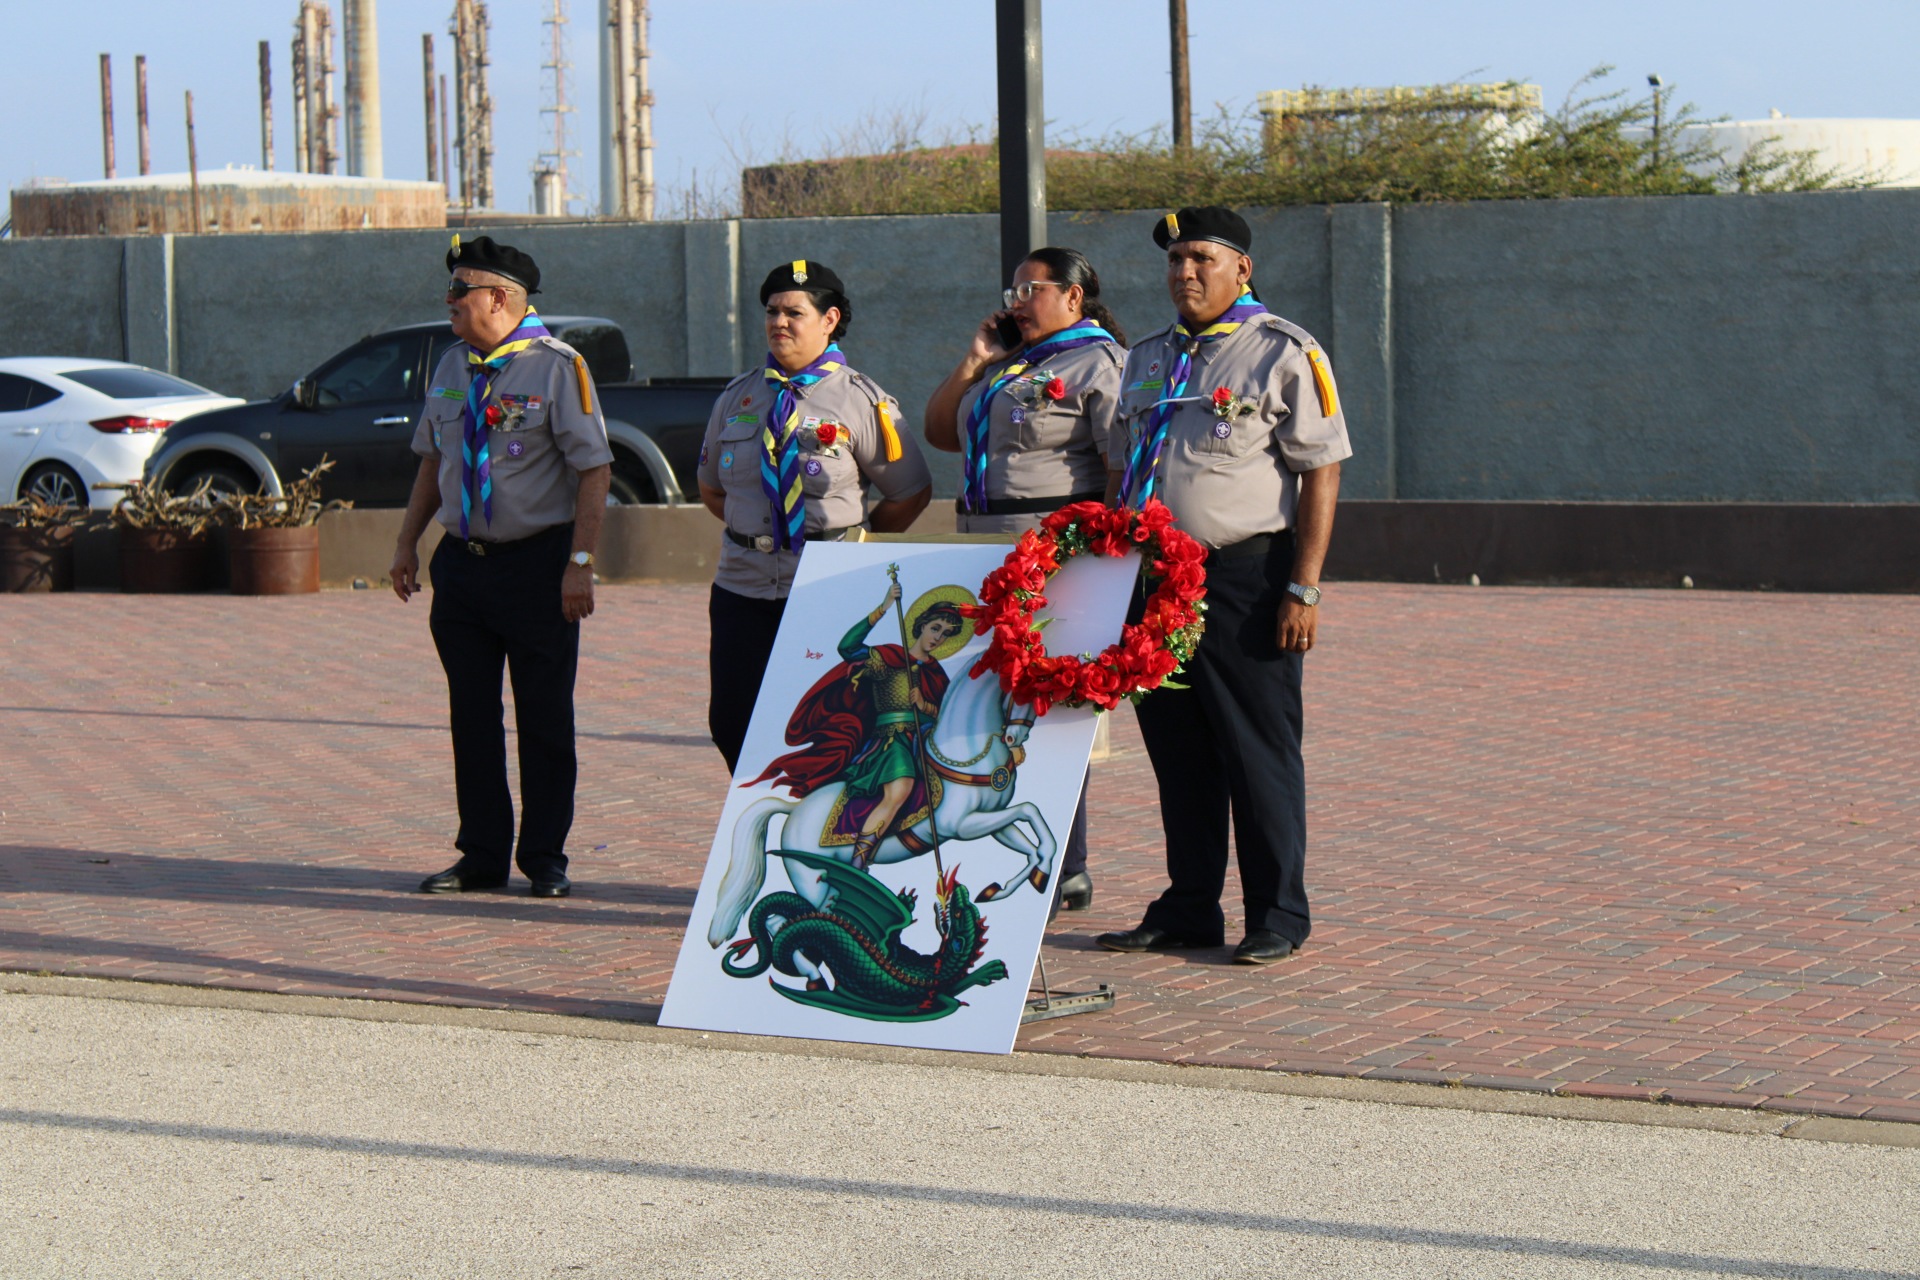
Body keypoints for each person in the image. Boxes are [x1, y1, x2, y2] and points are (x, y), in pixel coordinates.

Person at [1098, 206, 1350, 964]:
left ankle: (1277, 913)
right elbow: (1119, 467)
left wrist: (1303, 588)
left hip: (1240, 578)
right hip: (1152, 580)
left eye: (1203, 258)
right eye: (1176, 261)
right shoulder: (1144, 357)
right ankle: (1188, 906)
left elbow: (1321, 470)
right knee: (1179, 754)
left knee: (1258, 751)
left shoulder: (1282, 351)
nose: (1186, 273)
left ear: (1242, 268)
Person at [392, 234, 612, 899]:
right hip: (464, 565)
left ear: (499, 297)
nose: (450, 301)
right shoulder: (453, 364)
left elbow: (595, 470)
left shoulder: (557, 367)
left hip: (537, 565)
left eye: (460, 290)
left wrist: (580, 562)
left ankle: (545, 856)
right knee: (472, 715)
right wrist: (408, 543)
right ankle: (481, 853)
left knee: (544, 717)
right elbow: (434, 460)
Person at [922, 246, 1126, 913]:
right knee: (990, 710)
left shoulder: (1099, 364)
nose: (1016, 302)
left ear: (1073, 296)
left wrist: (1106, 560)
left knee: (1053, 706)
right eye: (1011, 290)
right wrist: (976, 358)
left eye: (1031, 289)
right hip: (984, 551)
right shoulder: (1010, 364)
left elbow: (1118, 466)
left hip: (1052, 556)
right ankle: (1001, 839)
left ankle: (1068, 863)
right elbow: (939, 431)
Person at [700, 260, 932, 775]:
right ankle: (762, 800)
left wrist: (852, 544)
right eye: (772, 311)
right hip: (743, 586)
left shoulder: (861, 400)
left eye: (793, 312)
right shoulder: (737, 396)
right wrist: (759, 534)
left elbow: (910, 492)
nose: (779, 322)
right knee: (731, 718)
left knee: (830, 722)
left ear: (829, 320)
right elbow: (712, 489)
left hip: (827, 586)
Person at [746, 585, 965, 869]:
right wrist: (884, 606)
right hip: (891, 742)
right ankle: (859, 861)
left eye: (945, 633)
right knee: (900, 789)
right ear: (921, 625)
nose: (938, 637)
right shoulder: (888, 658)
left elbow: (945, 716)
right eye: (935, 628)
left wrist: (925, 707)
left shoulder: (936, 673)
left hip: (924, 741)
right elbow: (847, 647)